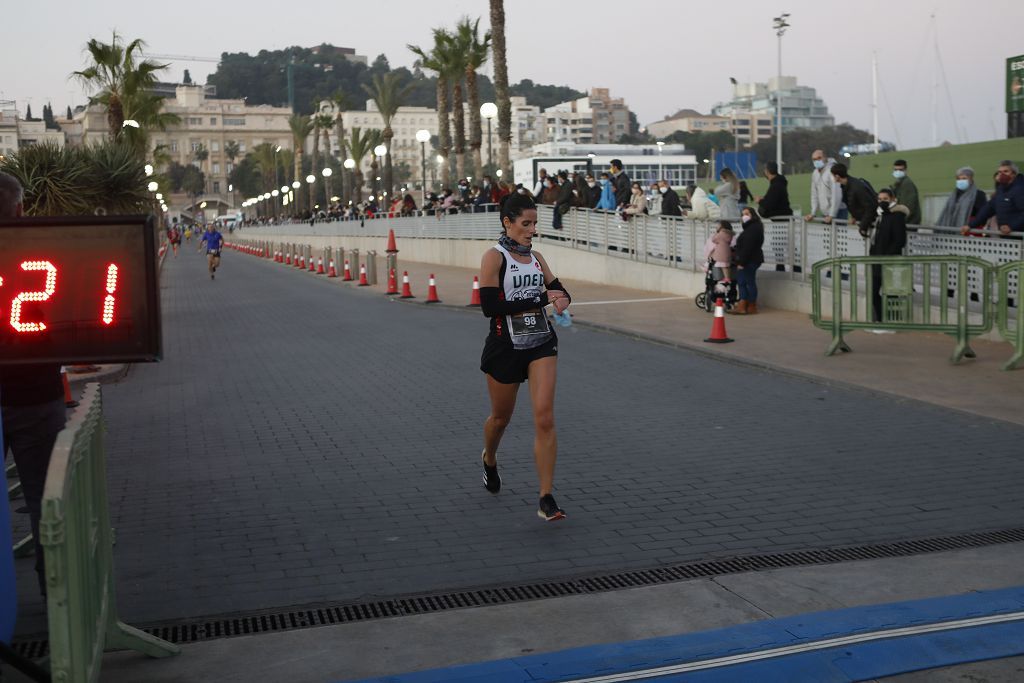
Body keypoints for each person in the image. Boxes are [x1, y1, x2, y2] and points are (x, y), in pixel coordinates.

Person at [478, 193, 571, 522]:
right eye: (526, 223)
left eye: (535, 224)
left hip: (541, 343)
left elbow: (558, 290)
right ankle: (490, 457)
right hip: (505, 346)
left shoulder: (537, 258)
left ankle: (546, 497)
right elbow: (490, 307)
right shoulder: (495, 257)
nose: (532, 230)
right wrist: (538, 299)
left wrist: (560, 300)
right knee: (500, 419)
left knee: (544, 418)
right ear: (508, 222)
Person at [0, 172, 67, 596]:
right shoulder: (43, 250)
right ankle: (57, 601)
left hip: (35, 399)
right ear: (21, 208)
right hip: (35, 397)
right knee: (47, 503)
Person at [869, 188, 909, 328]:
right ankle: (881, 320)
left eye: (885, 199)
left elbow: (900, 240)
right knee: (873, 293)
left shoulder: (897, 216)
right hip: (876, 260)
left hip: (891, 261)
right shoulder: (879, 215)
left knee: (892, 294)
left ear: (893, 199)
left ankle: (893, 322)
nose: (881, 202)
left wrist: (887, 256)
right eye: (879, 199)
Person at [965, 161, 1024, 238]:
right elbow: (988, 209)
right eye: (999, 172)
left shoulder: (1020, 189)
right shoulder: (1001, 190)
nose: (1002, 174)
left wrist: (1012, 226)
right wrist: (970, 225)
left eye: (1006, 171)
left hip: (1019, 236)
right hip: (1007, 236)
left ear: (1014, 174)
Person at [729, 206, 765, 315]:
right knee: (746, 282)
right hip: (752, 259)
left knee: (745, 282)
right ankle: (748, 306)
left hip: (749, 260)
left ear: (752, 215)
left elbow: (748, 247)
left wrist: (741, 262)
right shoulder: (754, 227)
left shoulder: (752, 229)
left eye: (747, 214)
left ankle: (746, 305)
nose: (744, 216)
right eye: (743, 214)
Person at [831, 163, 876, 237]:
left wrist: (863, 226)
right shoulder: (845, 186)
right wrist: (854, 216)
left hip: (871, 224)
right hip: (864, 222)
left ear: (837, 176)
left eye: (832, 175)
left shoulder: (857, 187)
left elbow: (870, 207)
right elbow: (853, 204)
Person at [805, 149, 842, 224]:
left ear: (825, 157)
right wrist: (813, 213)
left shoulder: (833, 170)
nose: (816, 161)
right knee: (826, 235)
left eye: (819, 158)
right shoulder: (815, 173)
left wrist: (832, 214)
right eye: (814, 159)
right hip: (825, 214)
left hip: (838, 212)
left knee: (838, 235)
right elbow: (814, 194)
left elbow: (836, 194)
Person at [891, 159, 921, 226]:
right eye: (896, 170)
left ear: (905, 170)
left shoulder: (907, 184)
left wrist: (898, 222)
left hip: (908, 224)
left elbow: (908, 208)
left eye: (900, 170)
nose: (898, 172)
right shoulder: (898, 184)